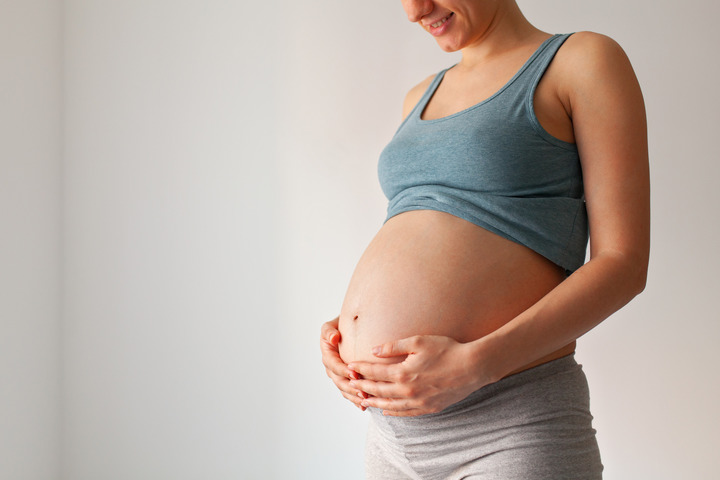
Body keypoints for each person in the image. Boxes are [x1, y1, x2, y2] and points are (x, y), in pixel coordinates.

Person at [320, 0, 649, 478]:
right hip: (392, 437)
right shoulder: (419, 96)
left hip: (512, 425)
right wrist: (343, 329)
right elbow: (422, 227)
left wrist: (475, 364)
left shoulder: (581, 60)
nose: (415, 11)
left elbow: (623, 263)